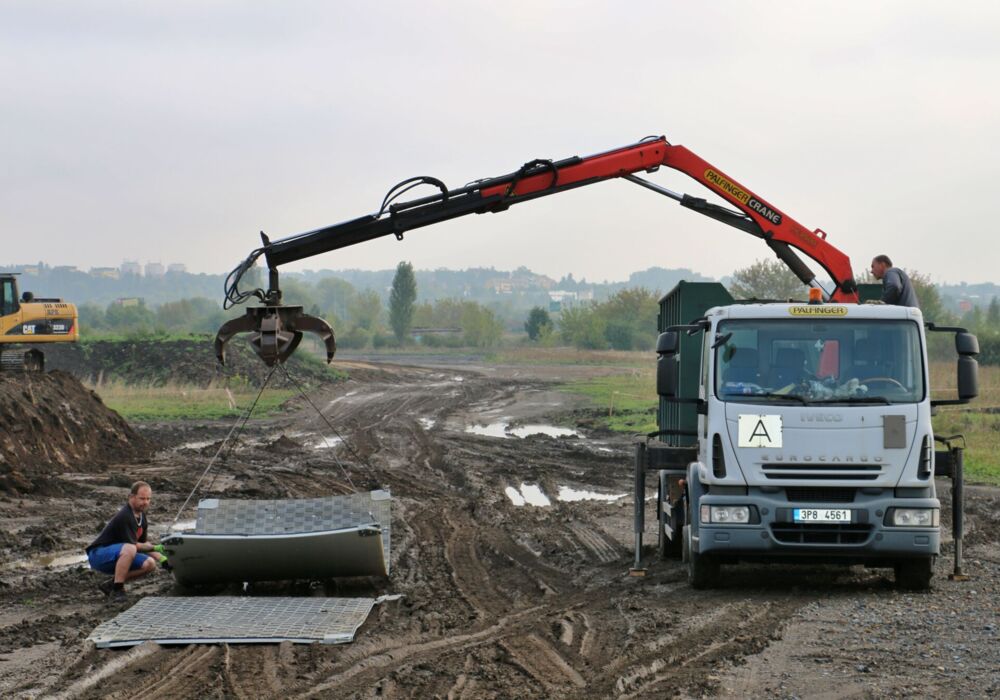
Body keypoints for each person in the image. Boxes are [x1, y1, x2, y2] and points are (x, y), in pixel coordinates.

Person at [86, 481, 168, 602]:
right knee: (130, 548)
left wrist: (163, 559)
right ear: (131, 497)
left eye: (148, 499)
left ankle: (111, 585)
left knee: (150, 564)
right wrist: (156, 548)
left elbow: (144, 544)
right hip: (99, 556)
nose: (145, 502)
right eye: (142, 498)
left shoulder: (142, 517)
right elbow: (135, 546)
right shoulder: (125, 516)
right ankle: (118, 590)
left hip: (118, 556)